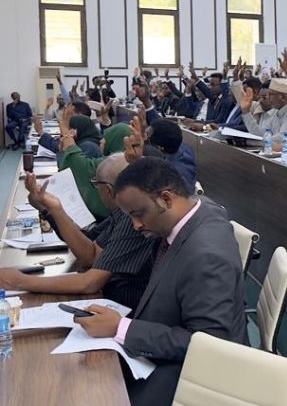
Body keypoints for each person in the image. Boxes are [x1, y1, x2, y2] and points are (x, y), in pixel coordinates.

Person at [73, 158, 245, 406]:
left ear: (166, 199)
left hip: (198, 375)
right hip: (165, 343)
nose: (136, 225)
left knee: (94, 390)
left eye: (139, 214)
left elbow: (209, 343)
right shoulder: (195, 210)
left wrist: (122, 328)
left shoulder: (206, 255)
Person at [0, 156, 156, 309]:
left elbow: (90, 282)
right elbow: (90, 253)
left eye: (96, 184)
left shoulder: (132, 221)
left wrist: (19, 281)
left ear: (108, 190)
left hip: (128, 309)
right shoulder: (121, 214)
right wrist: (53, 209)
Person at [61, 118, 132, 221]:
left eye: (106, 138)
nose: (101, 141)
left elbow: (83, 166)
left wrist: (69, 142)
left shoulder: (118, 162)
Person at [146, 119, 197, 188]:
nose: (143, 140)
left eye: (147, 139)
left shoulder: (176, 177)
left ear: (159, 148)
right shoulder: (177, 145)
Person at [35, 113, 102, 158]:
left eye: (69, 128)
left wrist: (64, 148)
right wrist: (41, 132)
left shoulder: (88, 146)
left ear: (76, 129)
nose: (68, 131)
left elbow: (67, 165)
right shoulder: (82, 141)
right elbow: (56, 145)